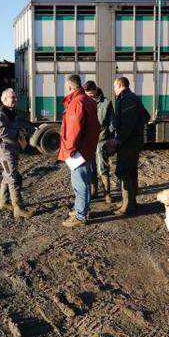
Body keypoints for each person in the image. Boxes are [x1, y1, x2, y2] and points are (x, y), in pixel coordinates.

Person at [58, 74, 100, 227]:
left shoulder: (76, 103)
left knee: (80, 183)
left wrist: (69, 150)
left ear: (69, 87)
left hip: (79, 152)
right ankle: (81, 209)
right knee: (84, 182)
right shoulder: (88, 100)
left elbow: (73, 131)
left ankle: (81, 216)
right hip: (87, 149)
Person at [110, 77, 150, 215]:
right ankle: (132, 203)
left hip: (128, 143)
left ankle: (127, 206)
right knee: (131, 171)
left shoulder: (126, 99)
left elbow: (127, 124)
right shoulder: (133, 97)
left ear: (120, 85)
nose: (114, 89)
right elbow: (147, 116)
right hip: (135, 142)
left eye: (114, 86)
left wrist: (118, 140)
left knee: (123, 172)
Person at [0, 88, 34, 219]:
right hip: (5, 151)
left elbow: (13, 126)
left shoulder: (10, 112)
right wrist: (16, 133)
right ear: (4, 99)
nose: (15, 100)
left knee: (8, 175)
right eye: (13, 98)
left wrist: (21, 129)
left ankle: (4, 202)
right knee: (13, 178)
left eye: (15, 97)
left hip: (11, 149)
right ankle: (18, 209)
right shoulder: (1, 114)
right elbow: (1, 132)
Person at [83, 81, 115, 204]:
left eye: (91, 94)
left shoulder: (106, 103)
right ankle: (94, 191)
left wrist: (112, 140)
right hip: (88, 141)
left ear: (96, 90)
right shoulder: (84, 102)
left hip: (101, 140)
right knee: (91, 168)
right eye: (87, 94)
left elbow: (111, 123)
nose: (89, 96)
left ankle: (107, 194)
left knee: (103, 167)